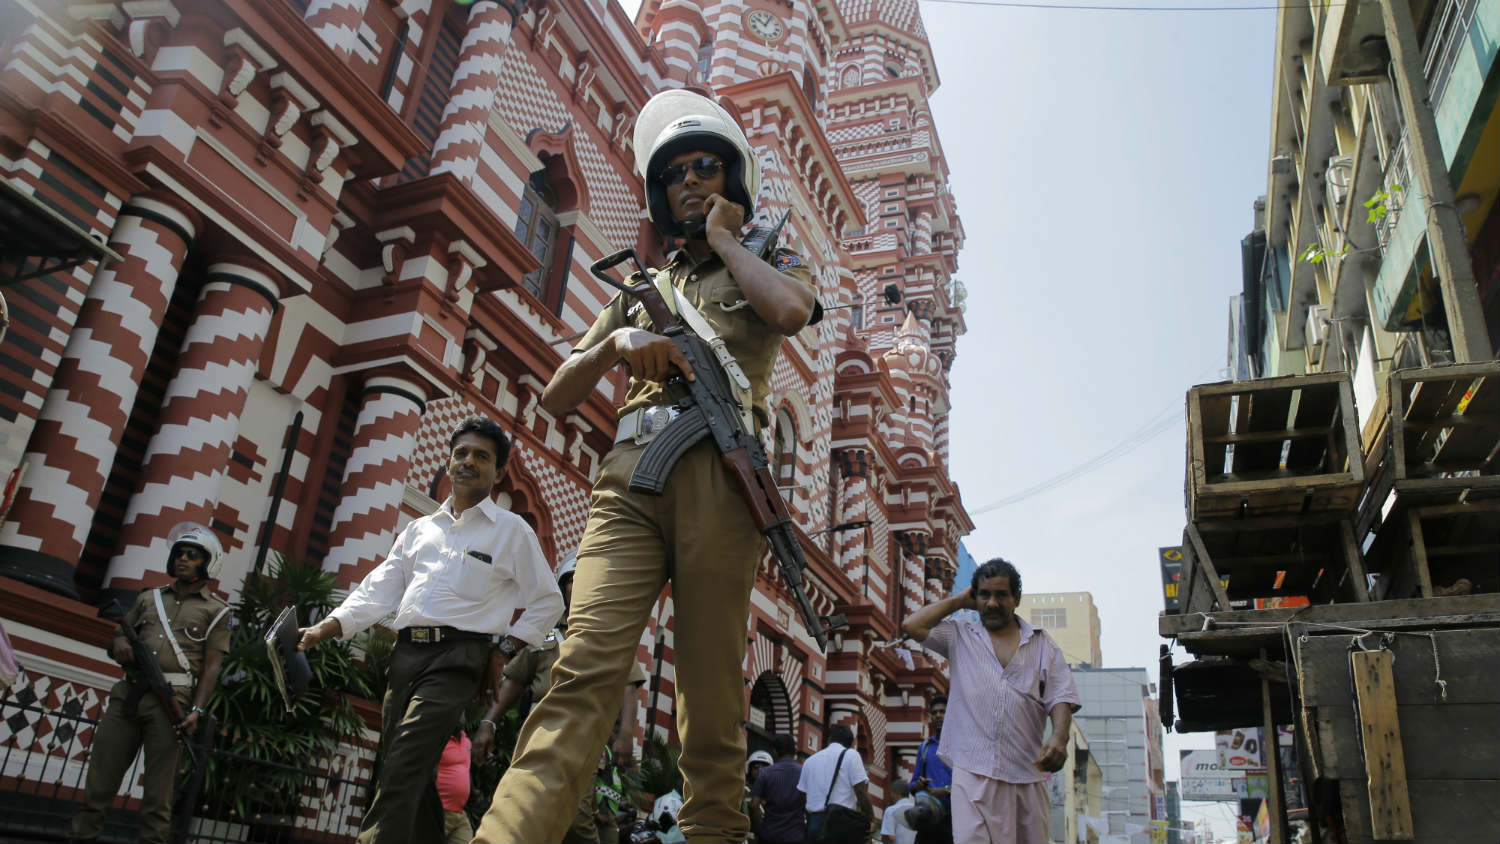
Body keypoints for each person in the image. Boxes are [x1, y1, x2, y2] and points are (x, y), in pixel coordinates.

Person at [472, 88, 817, 844]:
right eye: (674, 173)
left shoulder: (767, 258)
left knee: (710, 695)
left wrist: (727, 241)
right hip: (628, 483)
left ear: (732, 179)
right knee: (580, 671)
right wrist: (615, 344)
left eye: (705, 168)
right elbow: (558, 395)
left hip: (722, 481)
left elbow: (791, 312)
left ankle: (714, 832)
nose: (688, 181)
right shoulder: (642, 288)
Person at [299, 416, 564, 843]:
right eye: (461, 453)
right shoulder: (419, 530)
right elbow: (380, 588)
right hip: (405, 656)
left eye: (482, 456)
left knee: (402, 763)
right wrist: (326, 628)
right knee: (410, 769)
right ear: (448, 461)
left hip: (459, 660)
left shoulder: (512, 531)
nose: (468, 462)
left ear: (499, 473)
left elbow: (548, 601)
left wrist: (504, 649)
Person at [69, 524, 232, 844]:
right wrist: (119, 644)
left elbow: (212, 666)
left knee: (158, 799)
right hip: (128, 693)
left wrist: (197, 710)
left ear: (208, 563)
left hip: (171, 701)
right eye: (180, 554)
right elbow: (119, 635)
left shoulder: (217, 611)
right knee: (98, 786)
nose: (183, 559)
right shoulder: (148, 598)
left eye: (193, 555)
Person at [901, 558, 1082, 844]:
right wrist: (959, 600)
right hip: (972, 774)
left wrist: (1060, 737)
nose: (992, 603)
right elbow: (912, 625)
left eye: (1001, 595)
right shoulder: (960, 634)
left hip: (1027, 774)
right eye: (984, 595)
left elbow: (1060, 695)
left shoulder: (1041, 643)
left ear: (1016, 598)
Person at [470, 552, 648, 843]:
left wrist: (626, 734)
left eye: (584, 580)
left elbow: (628, 687)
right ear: (563, 586)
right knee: (521, 808)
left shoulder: (608, 631)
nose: (577, 586)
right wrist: (487, 724)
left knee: (577, 821)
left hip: (585, 731)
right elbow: (515, 681)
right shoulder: (547, 632)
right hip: (537, 732)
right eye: (571, 580)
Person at [797, 725, 873, 843]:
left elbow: (802, 795)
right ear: (850, 744)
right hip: (841, 824)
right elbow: (860, 791)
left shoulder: (809, 761)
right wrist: (871, 819)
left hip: (815, 823)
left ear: (829, 739)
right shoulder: (851, 755)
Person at [909, 695, 952, 844]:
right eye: (934, 713)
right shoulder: (925, 747)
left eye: (942, 712)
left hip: (954, 819)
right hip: (928, 817)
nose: (938, 715)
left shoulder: (962, 745)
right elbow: (913, 785)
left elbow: (970, 784)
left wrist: (946, 791)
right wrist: (919, 785)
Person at [749, 734, 806, 844]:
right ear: (795, 751)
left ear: (775, 751)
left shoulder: (765, 773)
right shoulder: (804, 772)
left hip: (769, 835)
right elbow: (809, 805)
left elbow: (753, 804)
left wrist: (758, 829)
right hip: (795, 836)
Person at [436, 727, 474, 843]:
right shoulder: (437, 738)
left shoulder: (466, 741)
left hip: (459, 812)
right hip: (439, 810)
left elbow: (465, 769)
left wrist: (472, 791)